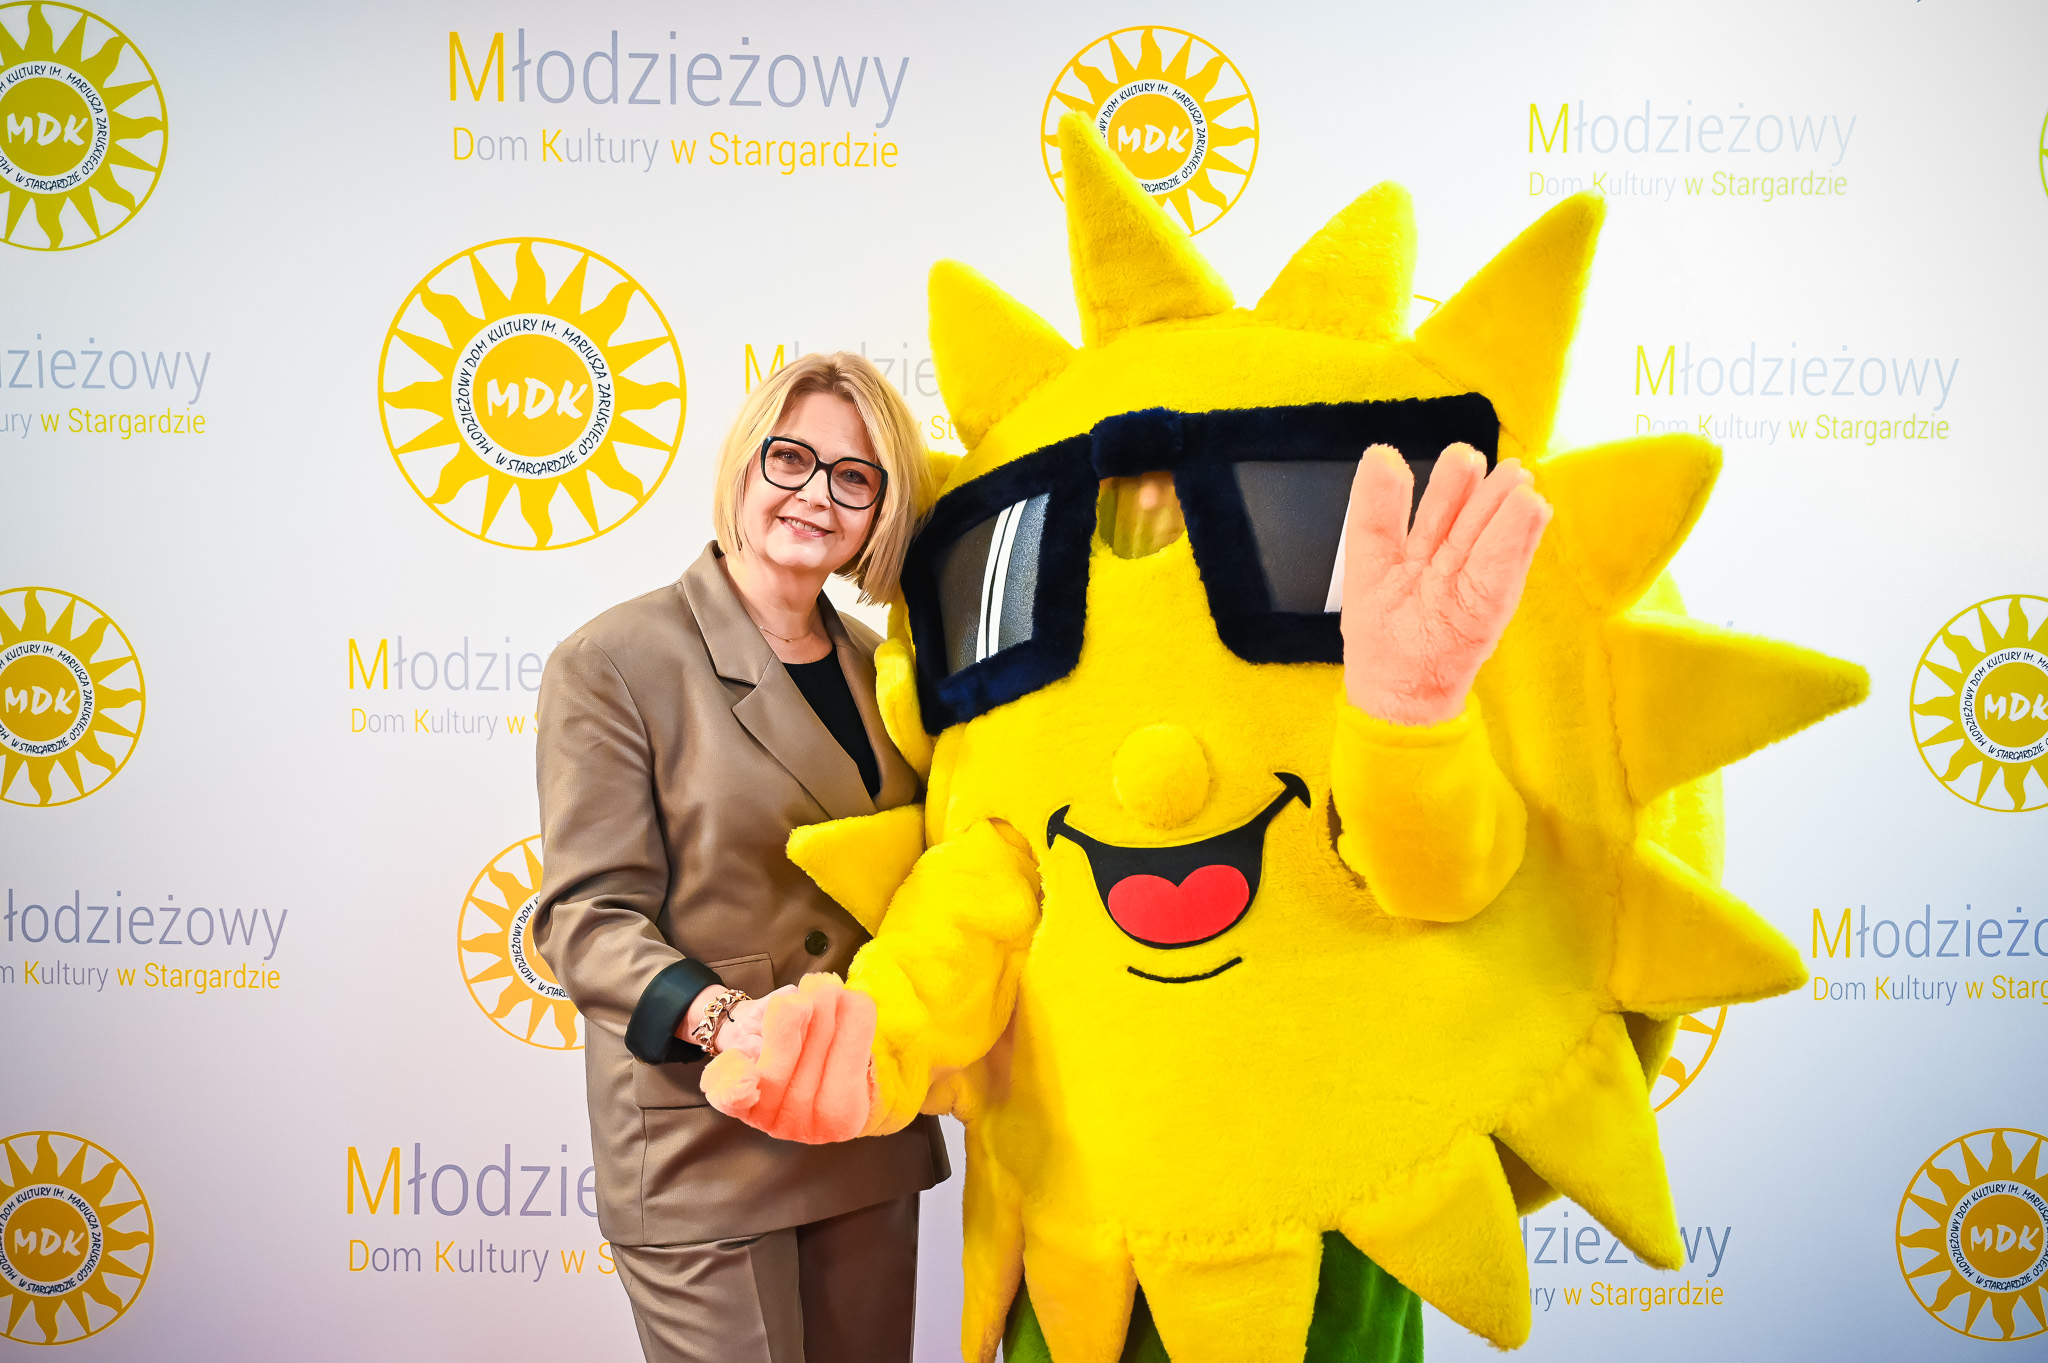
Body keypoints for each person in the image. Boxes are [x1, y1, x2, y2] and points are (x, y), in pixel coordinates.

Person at [532, 351, 942, 1363]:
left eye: (854, 477)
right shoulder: (614, 659)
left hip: (859, 1122)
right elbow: (585, 920)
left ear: (881, 509)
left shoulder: (887, 668)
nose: (816, 494)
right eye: (791, 458)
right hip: (706, 1129)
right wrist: (724, 1019)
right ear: (745, 463)